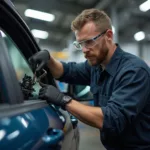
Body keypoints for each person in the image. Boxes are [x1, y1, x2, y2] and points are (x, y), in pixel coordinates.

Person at [29, 9, 150, 150]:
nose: (84, 50)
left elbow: (110, 120)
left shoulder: (134, 71)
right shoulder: (96, 66)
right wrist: (49, 59)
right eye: (80, 44)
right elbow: (68, 71)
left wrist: (63, 100)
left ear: (108, 35)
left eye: (89, 42)